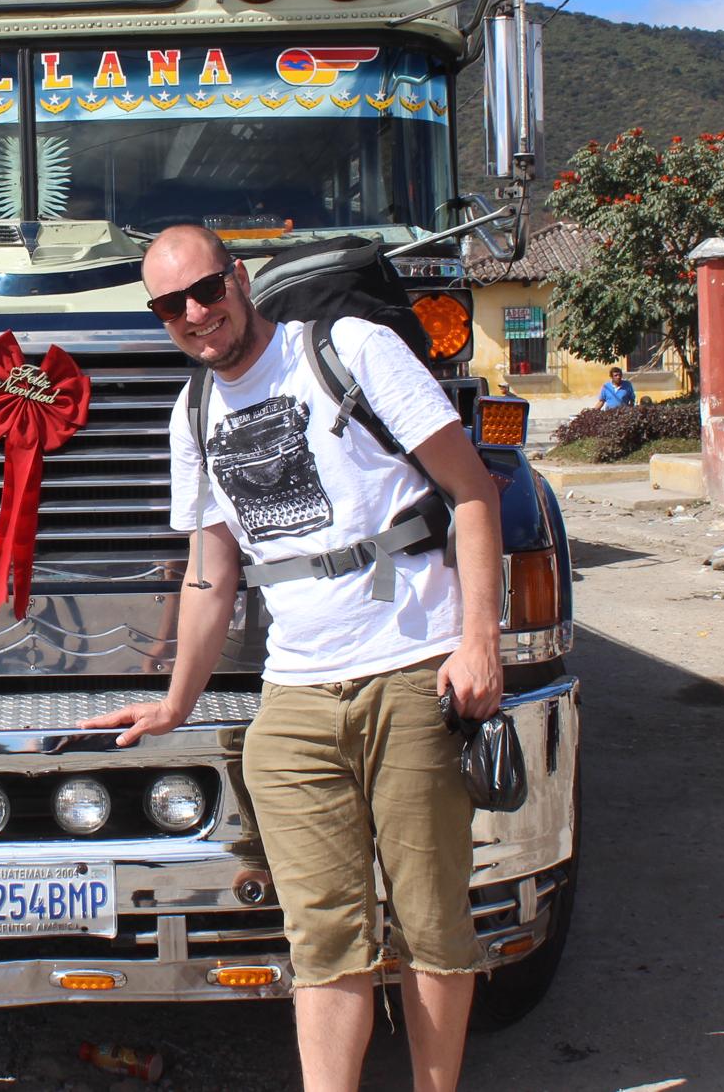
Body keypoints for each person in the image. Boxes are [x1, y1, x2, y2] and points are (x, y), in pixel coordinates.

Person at [82, 226, 504, 1092]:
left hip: (411, 670)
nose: (196, 313)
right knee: (324, 941)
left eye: (207, 289)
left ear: (239, 277)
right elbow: (211, 574)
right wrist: (174, 702)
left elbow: (471, 490)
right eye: (171, 305)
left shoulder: (350, 348)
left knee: (431, 925)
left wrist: (478, 643)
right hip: (296, 698)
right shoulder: (193, 412)